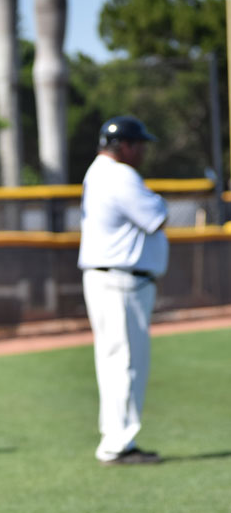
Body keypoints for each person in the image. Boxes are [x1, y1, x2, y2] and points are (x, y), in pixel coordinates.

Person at [78, 115, 169, 465]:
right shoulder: (119, 174)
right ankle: (118, 444)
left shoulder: (99, 171)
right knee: (126, 363)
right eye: (139, 144)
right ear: (125, 145)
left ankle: (115, 438)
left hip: (111, 278)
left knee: (116, 362)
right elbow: (157, 216)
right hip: (120, 280)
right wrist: (157, 198)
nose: (143, 150)